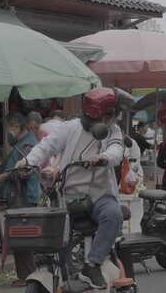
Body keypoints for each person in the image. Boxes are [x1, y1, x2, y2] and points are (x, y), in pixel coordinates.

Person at [16, 87, 134, 289]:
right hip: (69, 195)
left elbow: (116, 149)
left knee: (113, 214)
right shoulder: (69, 128)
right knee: (57, 229)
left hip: (100, 196)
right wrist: (28, 160)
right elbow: (47, 146)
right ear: (105, 115)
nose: (114, 119)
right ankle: (58, 271)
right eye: (112, 115)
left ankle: (93, 264)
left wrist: (104, 158)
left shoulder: (113, 131)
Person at [0, 112, 40, 286]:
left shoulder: (27, 145)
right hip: (17, 195)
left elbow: (25, 173)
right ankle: (25, 276)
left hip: (24, 196)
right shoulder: (21, 143)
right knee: (19, 238)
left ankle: (28, 277)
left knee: (23, 237)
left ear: (17, 126)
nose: (8, 131)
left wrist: (5, 177)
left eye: (9, 127)